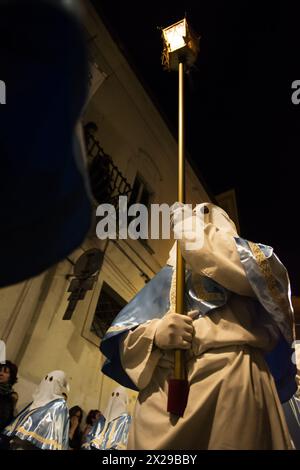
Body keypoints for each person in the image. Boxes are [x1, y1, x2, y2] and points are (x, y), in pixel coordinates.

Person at [100, 203, 296, 450]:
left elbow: (232, 263)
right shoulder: (167, 279)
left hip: (232, 382)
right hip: (163, 395)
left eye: (206, 215)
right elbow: (126, 341)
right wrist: (156, 334)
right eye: (194, 215)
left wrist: (191, 229)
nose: (198, 218)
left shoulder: (256, 260)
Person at [3, 370, 70, 450]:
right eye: (46, 378)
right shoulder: (37, 400)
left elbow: (54, 436)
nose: (47, 382)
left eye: (51, 379)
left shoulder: (59, 405)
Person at [83, 386, 131, 450]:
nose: (114, 397)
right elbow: (91, 437)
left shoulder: (127, 420)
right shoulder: (102, 418)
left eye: (118, 395)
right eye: (113, 394)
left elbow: (124, 442)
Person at [0, 361, 18, 449]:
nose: (1, 373)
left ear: (11, 377)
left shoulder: (11, 397)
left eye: (5, 372)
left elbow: (7, 419)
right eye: (0, 370)